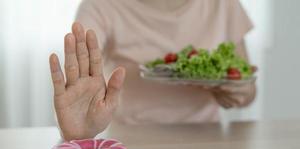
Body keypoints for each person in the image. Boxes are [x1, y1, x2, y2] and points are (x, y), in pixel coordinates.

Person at [49, 0, 256, 141]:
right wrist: (78, 135)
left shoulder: (222, 4)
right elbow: (82, 73)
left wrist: (239, 91)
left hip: (207, 142)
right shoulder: (101, 5)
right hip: (130, 144)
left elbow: (248, 91)